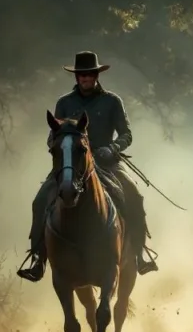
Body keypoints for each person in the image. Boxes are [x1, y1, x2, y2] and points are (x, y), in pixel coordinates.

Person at [17, 51, 158, 282]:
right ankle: (38, 259)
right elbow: (52, 136)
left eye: (90, 74)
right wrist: (60, 146)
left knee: (134, 195)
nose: (85, 78)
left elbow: (126, 134)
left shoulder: (112, 101)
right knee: (40, 200)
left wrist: (112, 149)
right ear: (76, 77)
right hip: (71, 165)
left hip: (107, 164)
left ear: (96, 75)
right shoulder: (64, 103)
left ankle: (140, 254)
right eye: (82, 75)